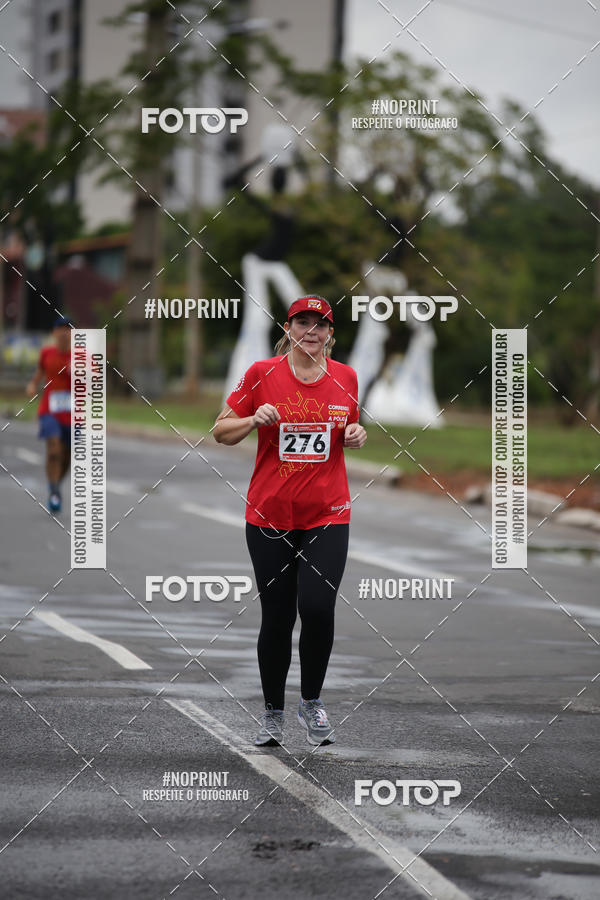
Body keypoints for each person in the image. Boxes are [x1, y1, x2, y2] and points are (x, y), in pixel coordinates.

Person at [213, 296, 367, 747]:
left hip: (327, 513)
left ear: (330, 334)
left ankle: (311, 702)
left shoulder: (346, 378)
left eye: (320, 324)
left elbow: (348, 429)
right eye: (302, 323)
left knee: (318, 608)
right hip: (270, 515)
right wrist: (250, 419)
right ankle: (272, 713)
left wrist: (356, 434)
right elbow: (220, 430)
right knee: (278, 616)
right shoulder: (262, 373)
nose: (311, 331)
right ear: (288, 328)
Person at [26, 316, 72, 513]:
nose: (64, 333)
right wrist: (32, 385)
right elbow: (39, 373)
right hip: (49, 411)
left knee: (66, 456)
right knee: (54, 450)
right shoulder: (47, 353)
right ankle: (53, 491)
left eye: (68, 329)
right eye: (61, 329)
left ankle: (57, 484)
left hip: (72, 414)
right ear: (54, 332)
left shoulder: (82, 357)